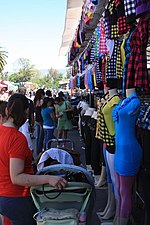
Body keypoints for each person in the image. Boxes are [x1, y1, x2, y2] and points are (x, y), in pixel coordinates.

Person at [0, 93, 68, 225]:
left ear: (7, 110)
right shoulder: (17, 138)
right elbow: (17, 177)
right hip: (17, 199)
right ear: (26, 112)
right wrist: (49, 179)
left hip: (4, 198)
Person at [112, 88, 142, 225]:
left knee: (124, 191)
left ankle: (121, 222)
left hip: (129, 151)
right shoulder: (124, 101)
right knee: (119, 189)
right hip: (119, 150)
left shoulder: (135, 102)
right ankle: (117, 219)